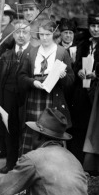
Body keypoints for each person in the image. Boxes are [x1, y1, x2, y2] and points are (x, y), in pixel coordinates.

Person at [18, 19, 74, 156]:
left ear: (54, 34)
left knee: (49, 132)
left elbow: (71, 80)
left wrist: (63, 76)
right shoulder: (32, 52)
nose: (44, 38)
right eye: (41, 35)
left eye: (47, 34)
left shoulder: (62, 53)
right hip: (34, 97)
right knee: (31, 130)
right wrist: (33, 82)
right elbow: (21, 76)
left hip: (52, 99)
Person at [0, 20, 33, 172]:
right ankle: (10, 164)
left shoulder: (33, 53)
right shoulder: (7, 54)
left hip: (26, 97)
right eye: (18, 32)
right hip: (7, 96)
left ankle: (24, 166)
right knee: (9, 129)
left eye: (25, 32)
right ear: (13, 34)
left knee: (25, 130)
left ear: (30, 34)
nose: (21, 35)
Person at [69, 14, 99, 164]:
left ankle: (91, 165)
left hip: (96, 91)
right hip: (82, 90)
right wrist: (78, 71)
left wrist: (96, 74)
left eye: (98, 26)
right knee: (79, 125)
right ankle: (77, 161)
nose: (96, 29)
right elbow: (75, 66)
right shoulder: (83, 45)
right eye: (93, 26)